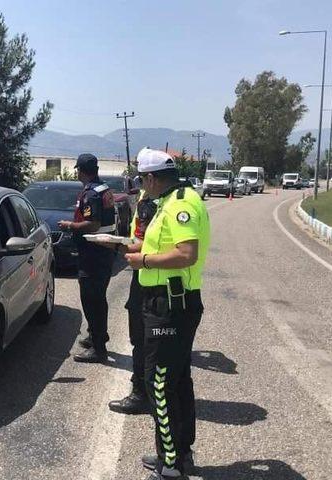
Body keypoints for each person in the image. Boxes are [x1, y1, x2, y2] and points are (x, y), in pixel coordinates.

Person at [125, 148, 210, 480]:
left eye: (143, 182)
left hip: (171, 305)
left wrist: (143, 261)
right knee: (177, 380)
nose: (143, 189)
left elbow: (186, 254)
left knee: (158, 384)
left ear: (151, 178)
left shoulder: (180, 205)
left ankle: (171, 466)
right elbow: (164, 246)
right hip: (168, 302)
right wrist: (137, 249)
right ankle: (176, 452)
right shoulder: (172, 200)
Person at [57, 153, 116, 363]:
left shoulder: (91, 194)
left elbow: (93, 224)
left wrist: (69, 225)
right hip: (103, 251)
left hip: (94, 253)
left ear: (81, 171)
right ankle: (96, 336)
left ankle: (99, 349)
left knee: (92, 300)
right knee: (96, 297)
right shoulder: (104, 189)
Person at [107, 187, 158, 414]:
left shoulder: (152, 203)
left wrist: (116, 245)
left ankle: (142, 394)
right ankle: (146, 391)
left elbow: (145, 242)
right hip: (145, 278)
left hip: (150, 281)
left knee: (142, 340)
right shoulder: (150, 198)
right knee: (142, 341)